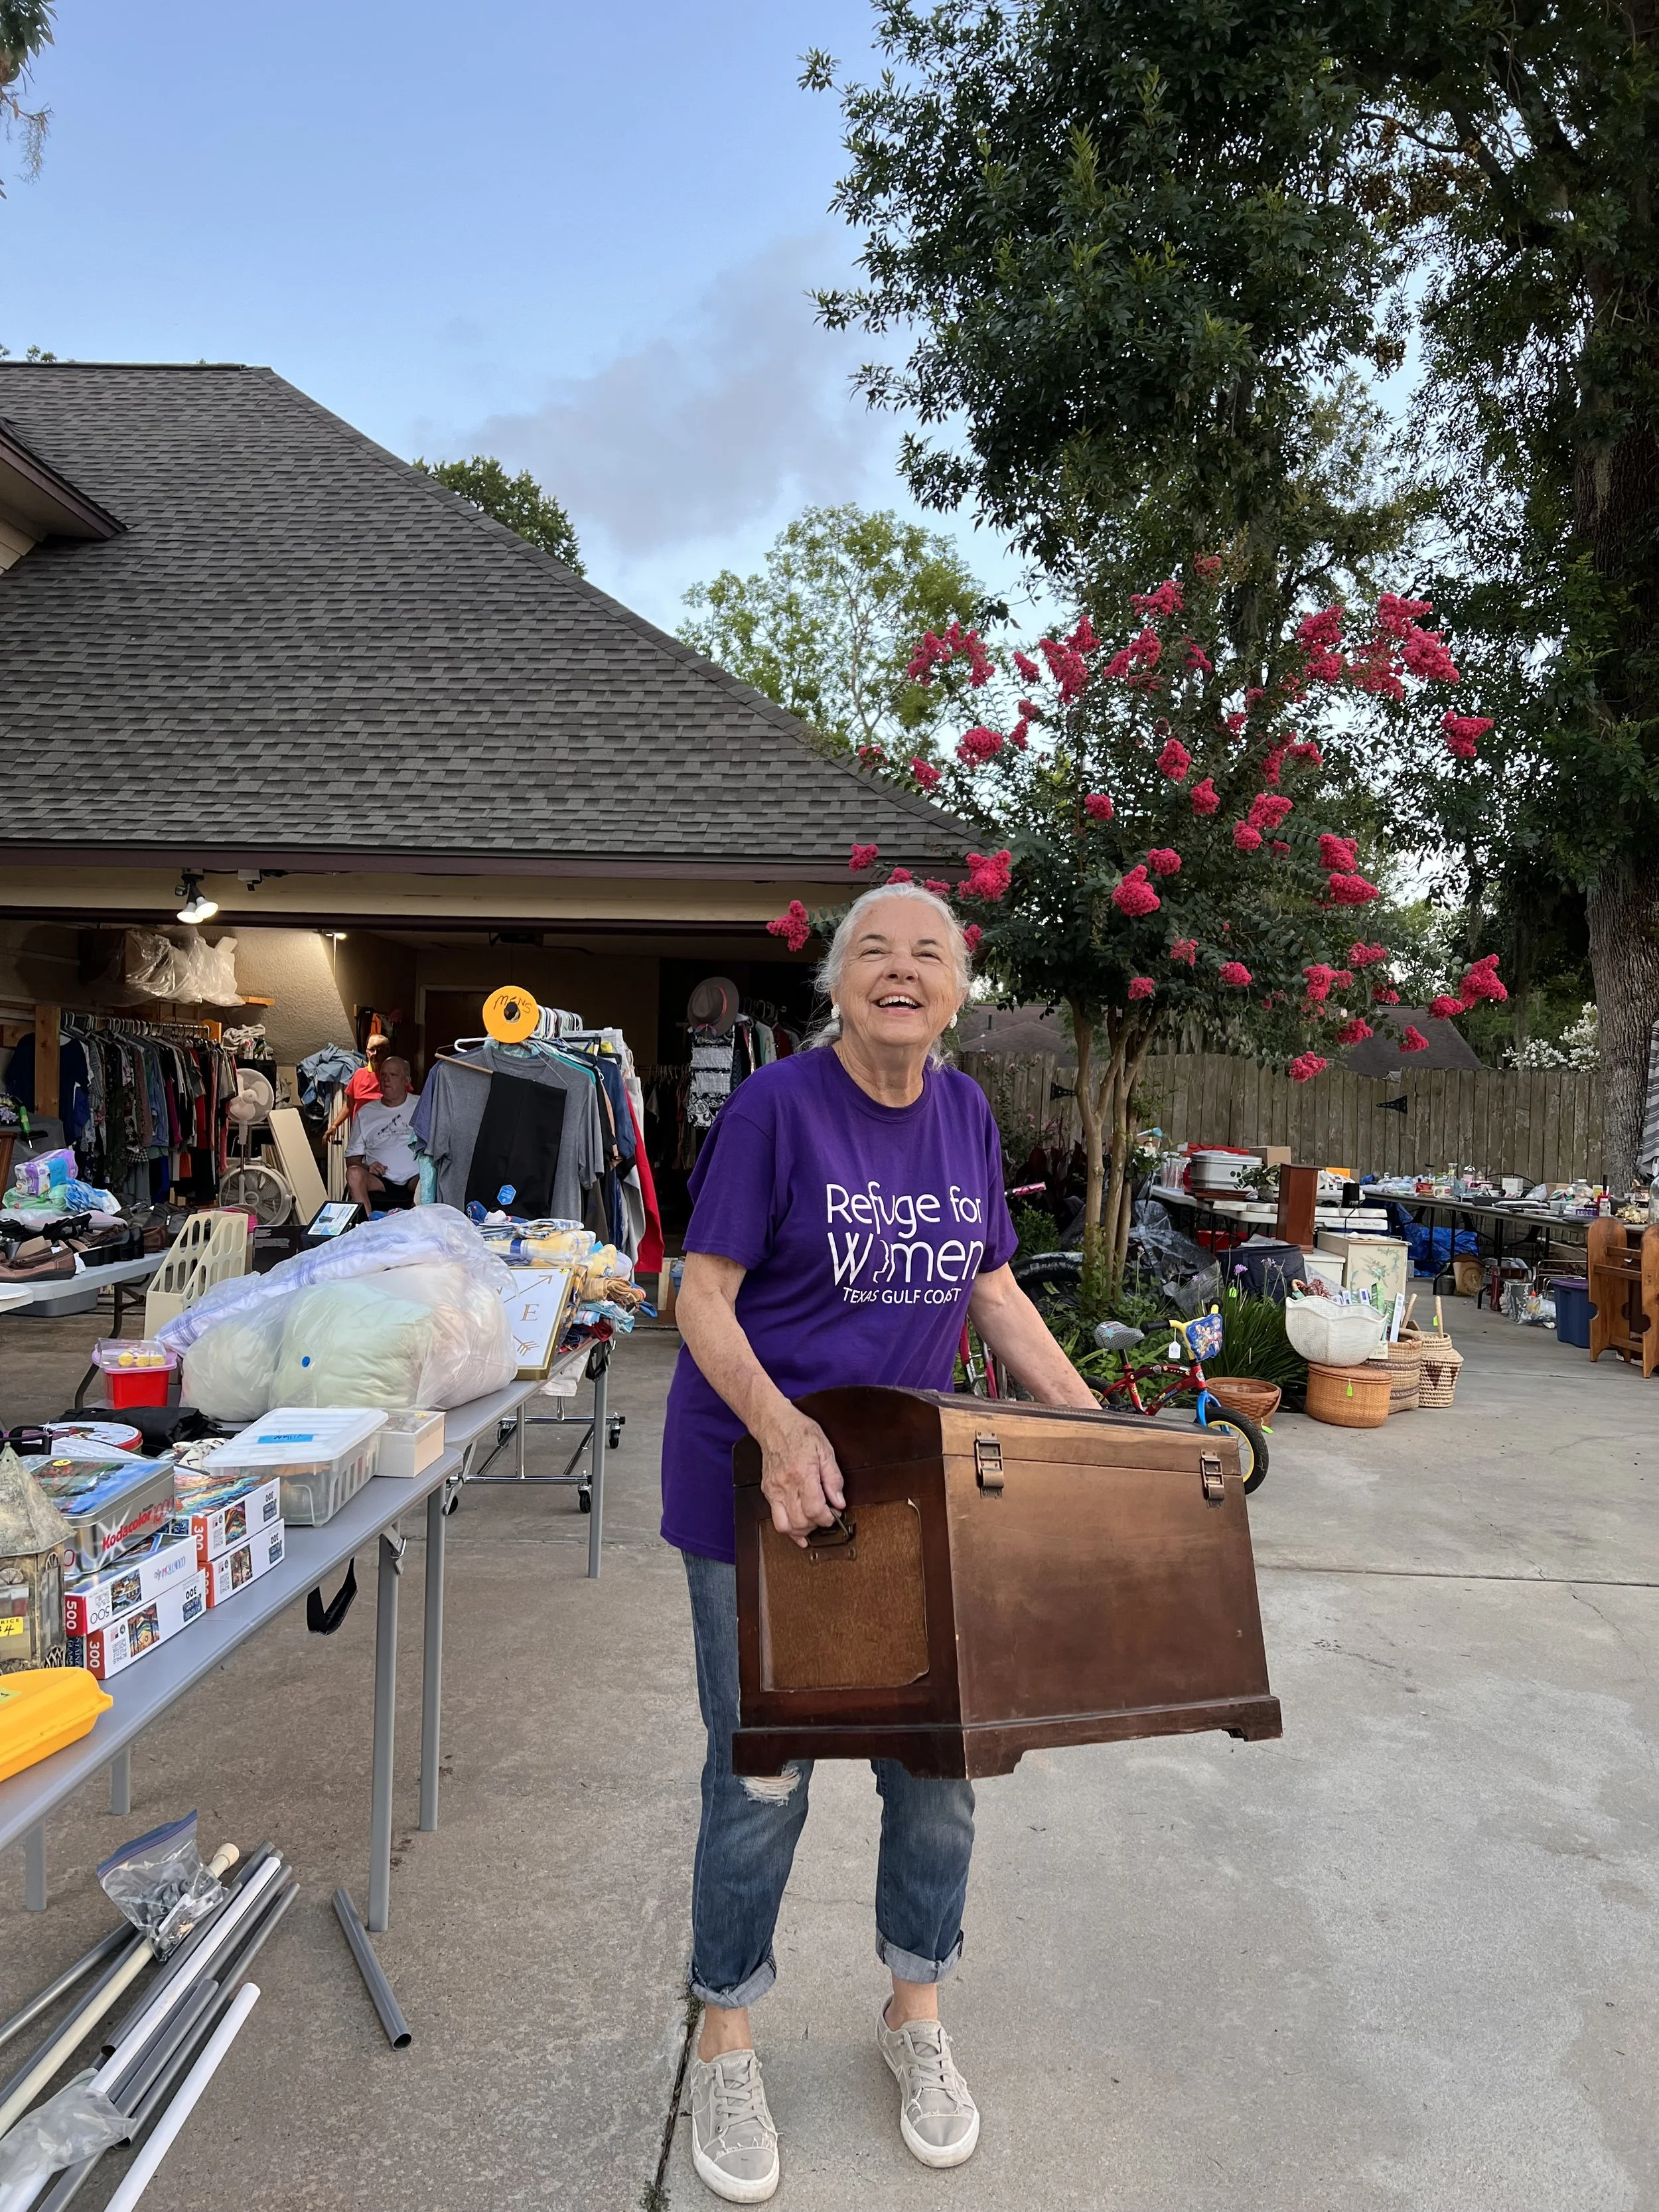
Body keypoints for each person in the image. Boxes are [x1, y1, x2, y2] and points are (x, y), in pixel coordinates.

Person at [664, 882, 1100, 2203]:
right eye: (873, 952)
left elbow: (991, 1287)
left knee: (936, 1766)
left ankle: (913, 2011)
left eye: (927, 953)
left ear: (957, 987)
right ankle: (725, 2029)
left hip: (910, 1491)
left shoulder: (964, 1113)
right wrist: (783, 1431)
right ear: (837, 982)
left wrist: (1093, 1435)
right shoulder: (776, 1107)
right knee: (761, 1775)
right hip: (759, 1484)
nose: (899, 972)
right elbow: (699, 1293)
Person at [345, 1056, 421, 1211]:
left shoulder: (422, 1106)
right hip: (380, 1181)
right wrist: (368, 1168)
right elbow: (352, 1160)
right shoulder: (366, 1113)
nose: (387, 1080)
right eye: (384, 1075)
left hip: (415, 1178)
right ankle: (367, 1226)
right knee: (353, 1174)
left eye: (393, 1075)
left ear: (406, 1081)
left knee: (433, 1175)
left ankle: (420, 1225)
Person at [324, 1033, 390, 1143]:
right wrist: (335, 1125)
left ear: (387, 1053)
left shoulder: (393, 1076)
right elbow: (350, 1105)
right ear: (367, 1052)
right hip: (361, 1135)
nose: (375, 1054)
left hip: (385, 1137)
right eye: (372, 1049)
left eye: (380, 1050)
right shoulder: (359, 1075)